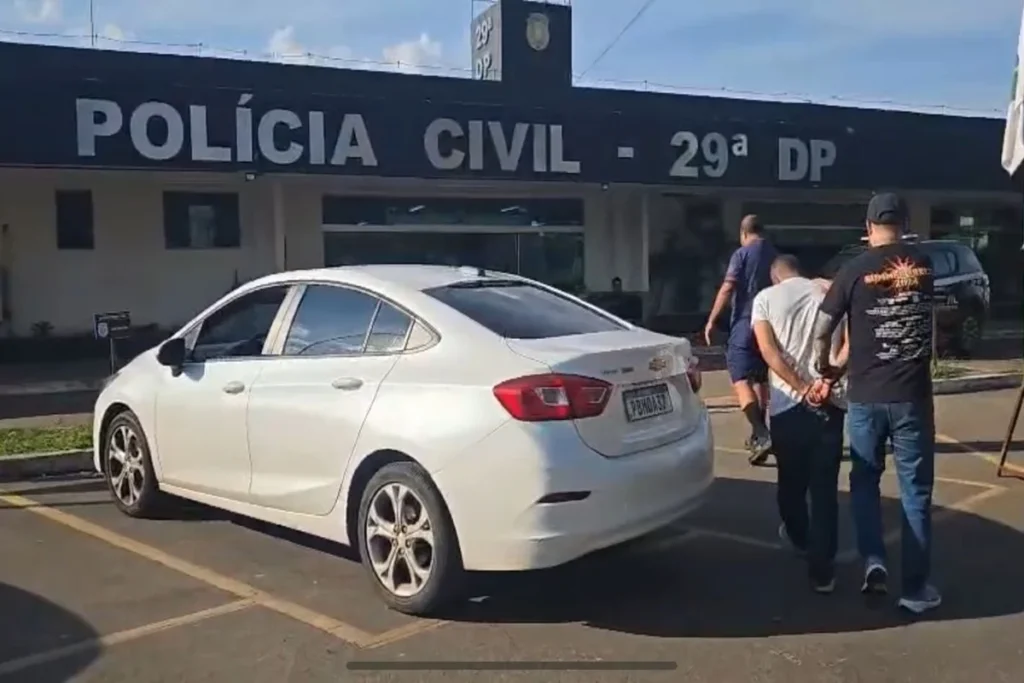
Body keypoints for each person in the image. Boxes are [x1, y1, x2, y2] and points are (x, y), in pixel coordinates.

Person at [812, 192, 941, 614]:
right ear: (905, 224)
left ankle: (873, 559)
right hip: (912, 397)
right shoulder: (925, 266)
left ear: (868, 228)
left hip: (866, 396)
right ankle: (916, 589)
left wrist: (825, 365)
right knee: (915, 491)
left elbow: (824, 325)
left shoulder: (853, 269)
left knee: (865, 481)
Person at [751, 254, 847, 593]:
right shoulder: (829, 292)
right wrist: (827, 380)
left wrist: (802, 387)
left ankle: (800, 538)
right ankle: (823, 572)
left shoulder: (765, 299)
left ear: (775, 276)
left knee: (790, 484)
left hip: (787, 407)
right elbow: (849, 342)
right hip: (830, 402)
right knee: (824, 491)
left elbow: (768, 352)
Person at [704, 214, 777, 464]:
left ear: (743, 233)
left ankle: (761, 432)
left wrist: (712, 319)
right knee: (760, 378)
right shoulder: (774, 254)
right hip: (768, 324)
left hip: (745, 323)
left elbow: (728, 286)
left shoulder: (741, 254)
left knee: (740, 378)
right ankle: (759, 434)